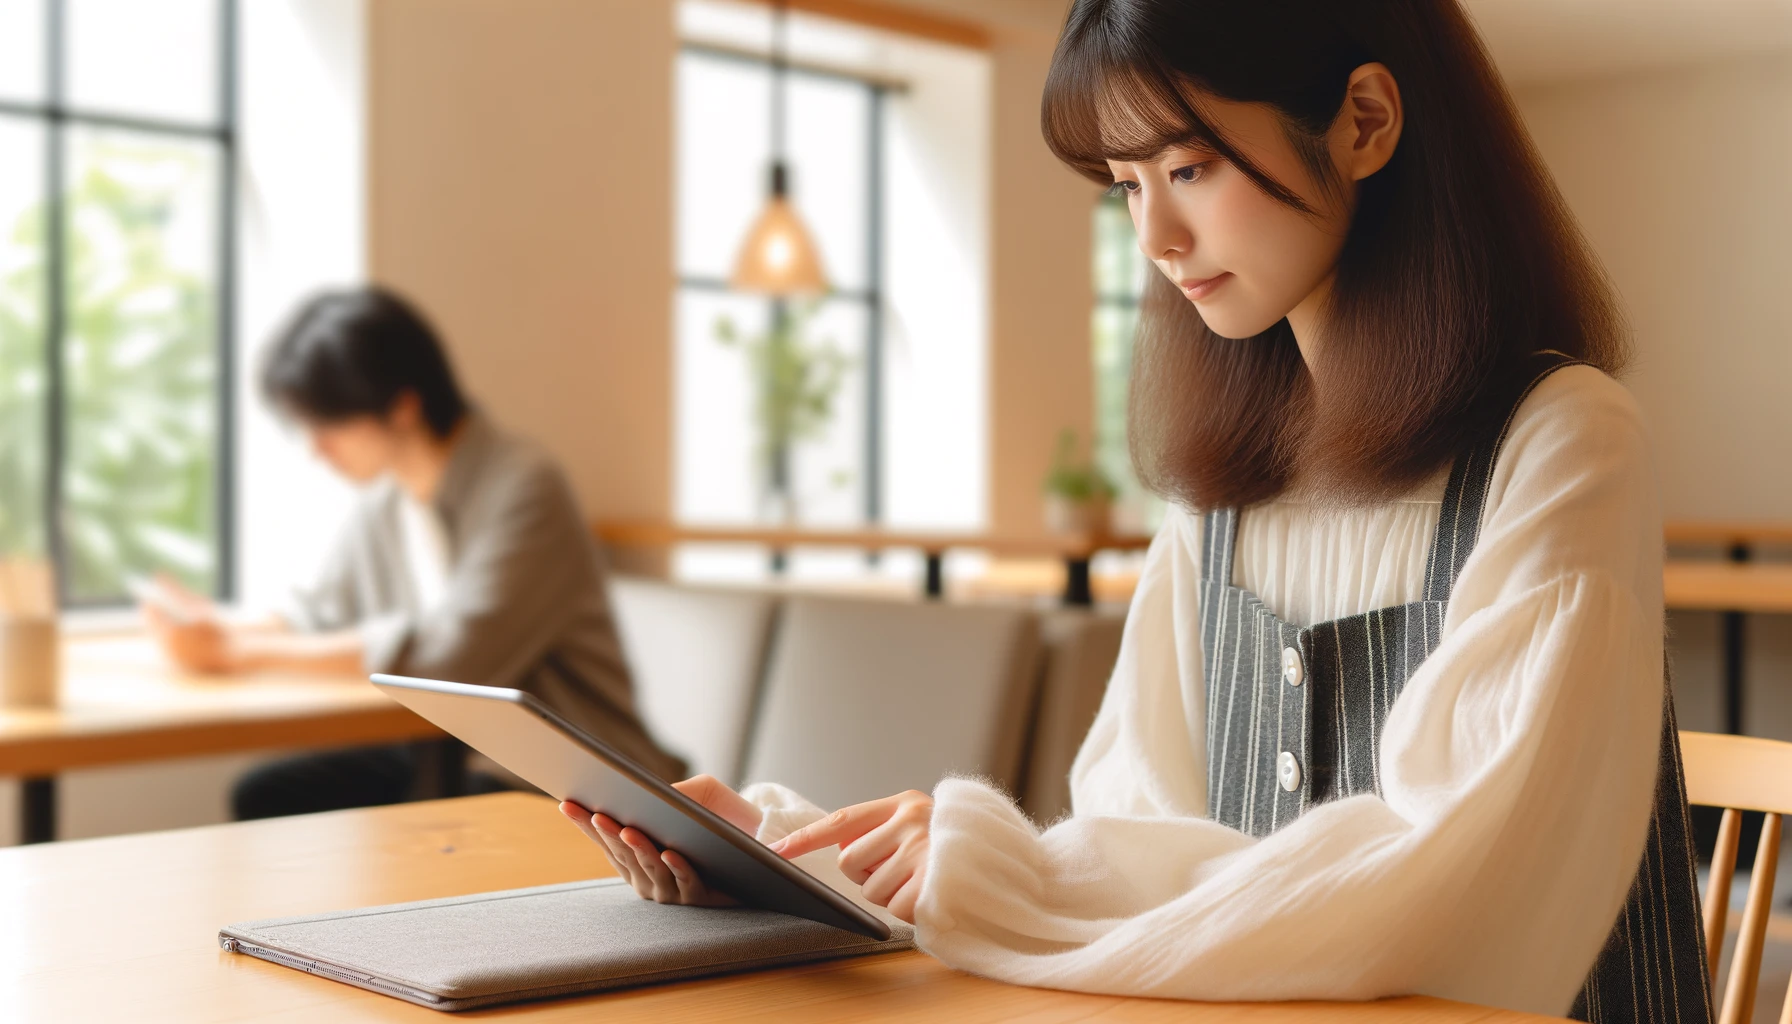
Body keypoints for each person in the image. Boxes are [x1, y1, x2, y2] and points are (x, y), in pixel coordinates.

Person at [561, 1, 1702, 1018]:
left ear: (1363, 121)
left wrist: (997, 874)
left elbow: (1461, 895)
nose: (1154, 239)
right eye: (1125, 186)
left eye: (1188, 168)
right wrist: (809, 865)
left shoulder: (1562, 439)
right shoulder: (1221, 495)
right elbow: (1127, 841)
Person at [148, 286, 684, 818]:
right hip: (448, 751)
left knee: (439, 820)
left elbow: (449, 661)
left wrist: (237, 654)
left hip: (568, 771)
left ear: (403, 406)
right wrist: (217, 627)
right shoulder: (387, 501)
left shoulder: (524, 486)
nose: (316, 448)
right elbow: (322, 614)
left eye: (327, 423)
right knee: (268, 794)